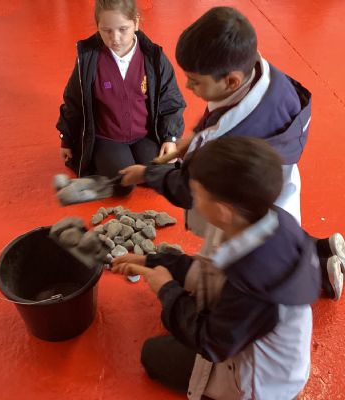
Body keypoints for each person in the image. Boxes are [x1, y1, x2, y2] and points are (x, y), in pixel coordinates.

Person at [118, 6, 345, 299]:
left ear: (230, 81)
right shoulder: (259, 71)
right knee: (281, 235)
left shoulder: (222, 141)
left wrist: (148, 173)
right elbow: (218, 117)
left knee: (262, 264)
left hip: (246, 200)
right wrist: (194, 139)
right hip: (275, 176)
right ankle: (323, 249)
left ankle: (322, 274)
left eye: (195, 81)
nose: (187, 85)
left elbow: (189, 187)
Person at [113, 136, 322, 400]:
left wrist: (166, 290)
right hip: (253, 342)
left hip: (257, 385)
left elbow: (212, 343)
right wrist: (152, 261)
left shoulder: (252, 283)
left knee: (152, 354)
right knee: (174, 326)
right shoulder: (267, 222)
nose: (194, 201)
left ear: (223, 211)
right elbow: (211, 271)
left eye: (197, 194)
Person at [56, 0, 185, 196]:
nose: (115, 38)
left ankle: (136, 163)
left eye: (123, 29)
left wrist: (170, 138)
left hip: (144, 135)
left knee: (163, 172)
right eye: (106, 30)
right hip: (108, 138)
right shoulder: (89, 59)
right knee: (123, 184)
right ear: (98, 26)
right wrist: (66, 139)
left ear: (136, 23)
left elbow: (170, 100)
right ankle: (102, 164)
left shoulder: (153, 57)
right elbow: (73, 101)